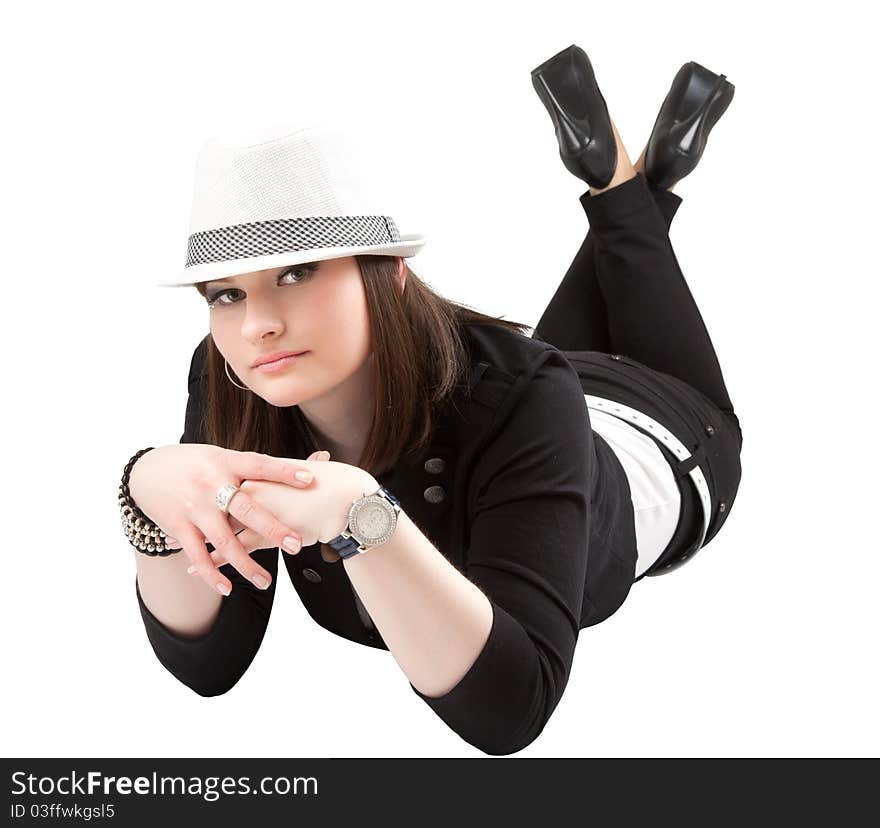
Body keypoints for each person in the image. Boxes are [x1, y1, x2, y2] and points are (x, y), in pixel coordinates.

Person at [120, 46, 743, 756]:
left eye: (295, 273)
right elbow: (208, 666)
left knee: (579, 350)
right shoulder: (237, 372)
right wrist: (145, 492)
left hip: (662, 436)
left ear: (391, 276)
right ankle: (631, 184)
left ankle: (632, 186)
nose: (256, 323)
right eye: (225, 293)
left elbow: (511, 713)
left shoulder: (521, 389)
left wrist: (361, 516)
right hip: (552, 394)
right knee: (608, 266)